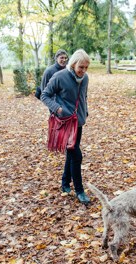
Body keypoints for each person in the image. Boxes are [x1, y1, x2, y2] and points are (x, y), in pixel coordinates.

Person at [40, 49, 91, 205]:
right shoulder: (60, 77)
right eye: (80, 67)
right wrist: (58, 109)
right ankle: (79, 190)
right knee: (76, 155)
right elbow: (45, 95)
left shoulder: (85, 78)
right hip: (65, 121)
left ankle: (64, 182)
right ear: (73, 64)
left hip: (78, 121)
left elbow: (84, 96)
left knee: (71, 152)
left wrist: (85, 112)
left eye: (86, 68)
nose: (83, 71)